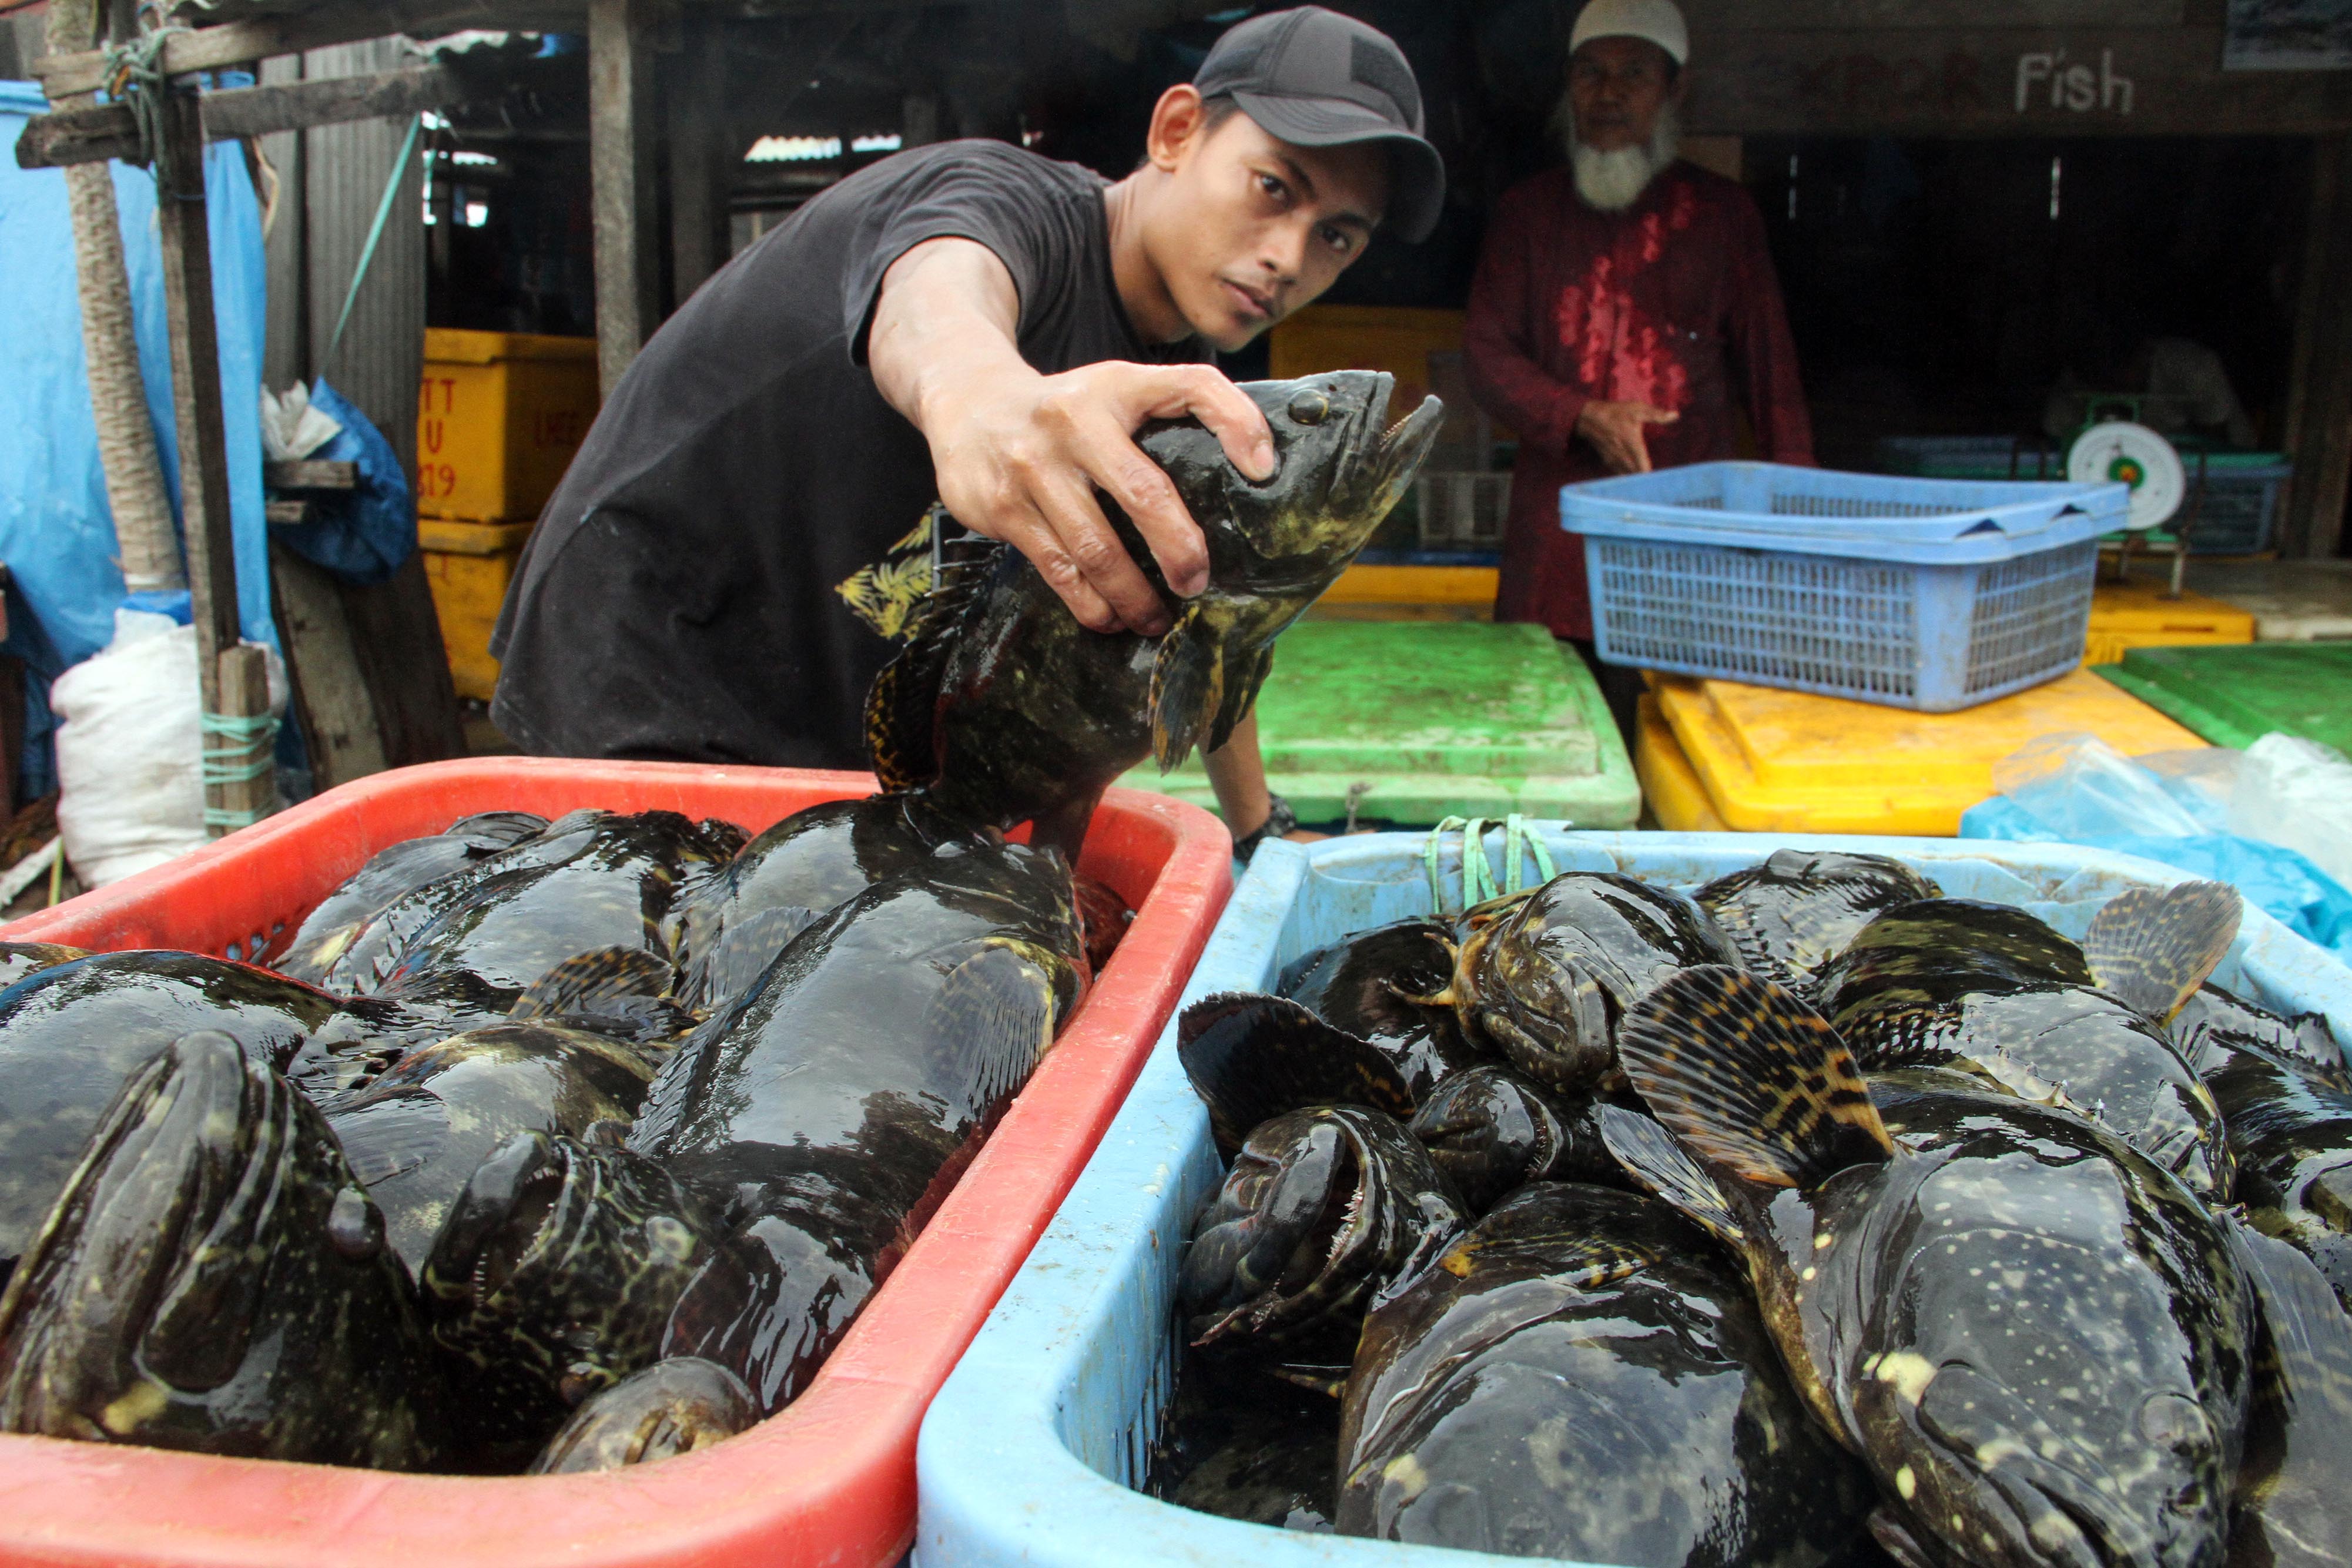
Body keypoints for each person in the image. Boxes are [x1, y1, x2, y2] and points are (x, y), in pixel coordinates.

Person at [488, 7, 1443, 857]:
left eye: (1337, 236)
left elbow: (1214, 610)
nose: (1287, 256)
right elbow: (937, 303)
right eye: (1274, 187)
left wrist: (1255, 830)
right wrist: (982, 398)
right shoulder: (1001, 201)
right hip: (651, 658)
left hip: (827, 741)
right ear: (1177, 131)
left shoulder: (1179, 391)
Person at [1463, 0, 1810, 666]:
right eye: (1590, 73)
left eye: (1634, 74)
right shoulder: (1527, 213)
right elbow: (1485, 354)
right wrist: (1583, 415)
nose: (1610, 93)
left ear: (1674, 88)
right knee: (1552, 731)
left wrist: (1797, 520)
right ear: (1568, 85)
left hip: (1685, 539)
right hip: (1555, 545)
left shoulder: (1723, 215)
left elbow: (1775, 377)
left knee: (1677, 738)